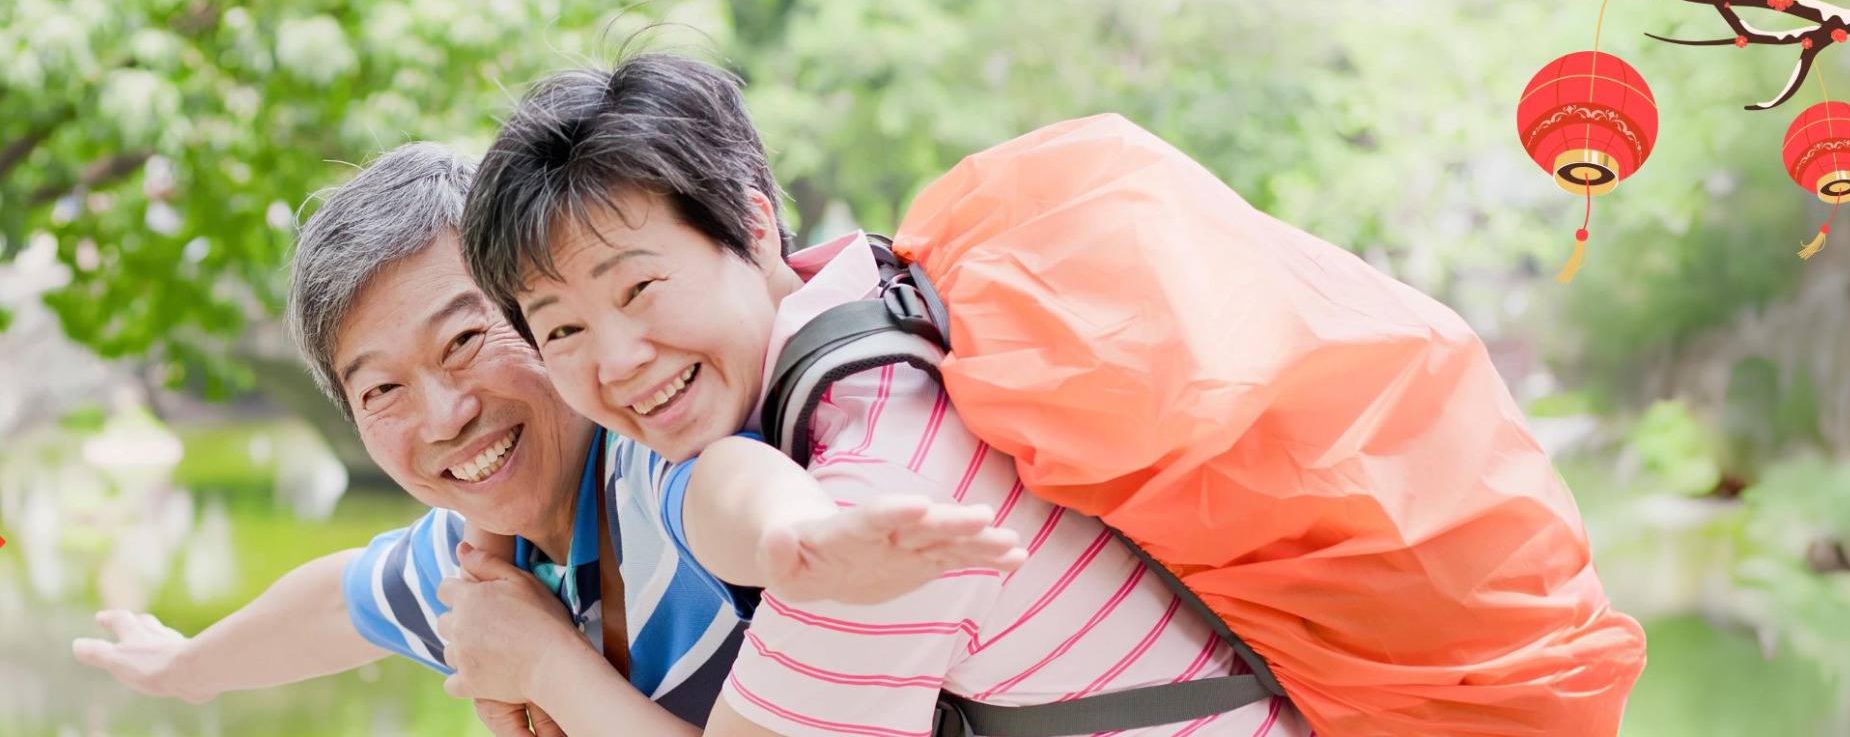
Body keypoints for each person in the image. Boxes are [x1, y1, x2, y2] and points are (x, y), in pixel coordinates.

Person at [435, 52, 1315, 737]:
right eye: (562, 330)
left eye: (638, 290)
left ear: (750, 224)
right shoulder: (868, 294)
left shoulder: (879, 502)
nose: (619, 361)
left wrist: (539, 662)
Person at [71, 142, 1025, 737]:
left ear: (541, 316)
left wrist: (801, 537)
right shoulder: (479, 563)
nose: (445, 417)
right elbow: (338, 603)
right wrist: (186, 669)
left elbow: (728, 486)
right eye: (383, 390)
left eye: (464, 341)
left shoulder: (649, 446)